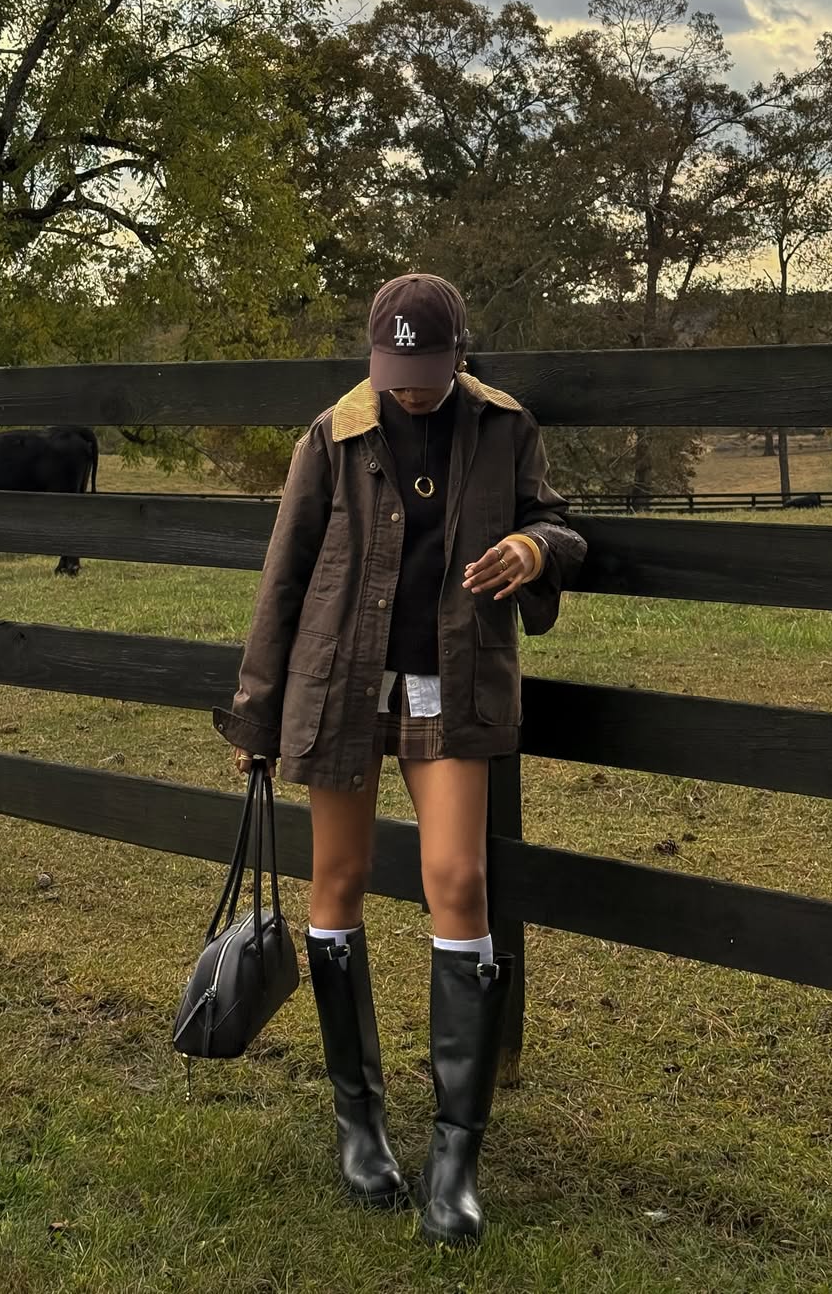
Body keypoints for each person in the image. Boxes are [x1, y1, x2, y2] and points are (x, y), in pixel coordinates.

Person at [215, 273, 587, 1246]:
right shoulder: (332, 434)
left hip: (453, 685)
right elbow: (285, 575)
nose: (410, 387)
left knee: (458, 881)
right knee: (335, 879)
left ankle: (456, 1158)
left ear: (460, 353)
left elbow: (560, 524)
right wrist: (256, 720)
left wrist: (535, 551)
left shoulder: (505, 427)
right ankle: (361, 1125)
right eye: (394, 370)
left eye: (426, 369)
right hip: (340, 685)